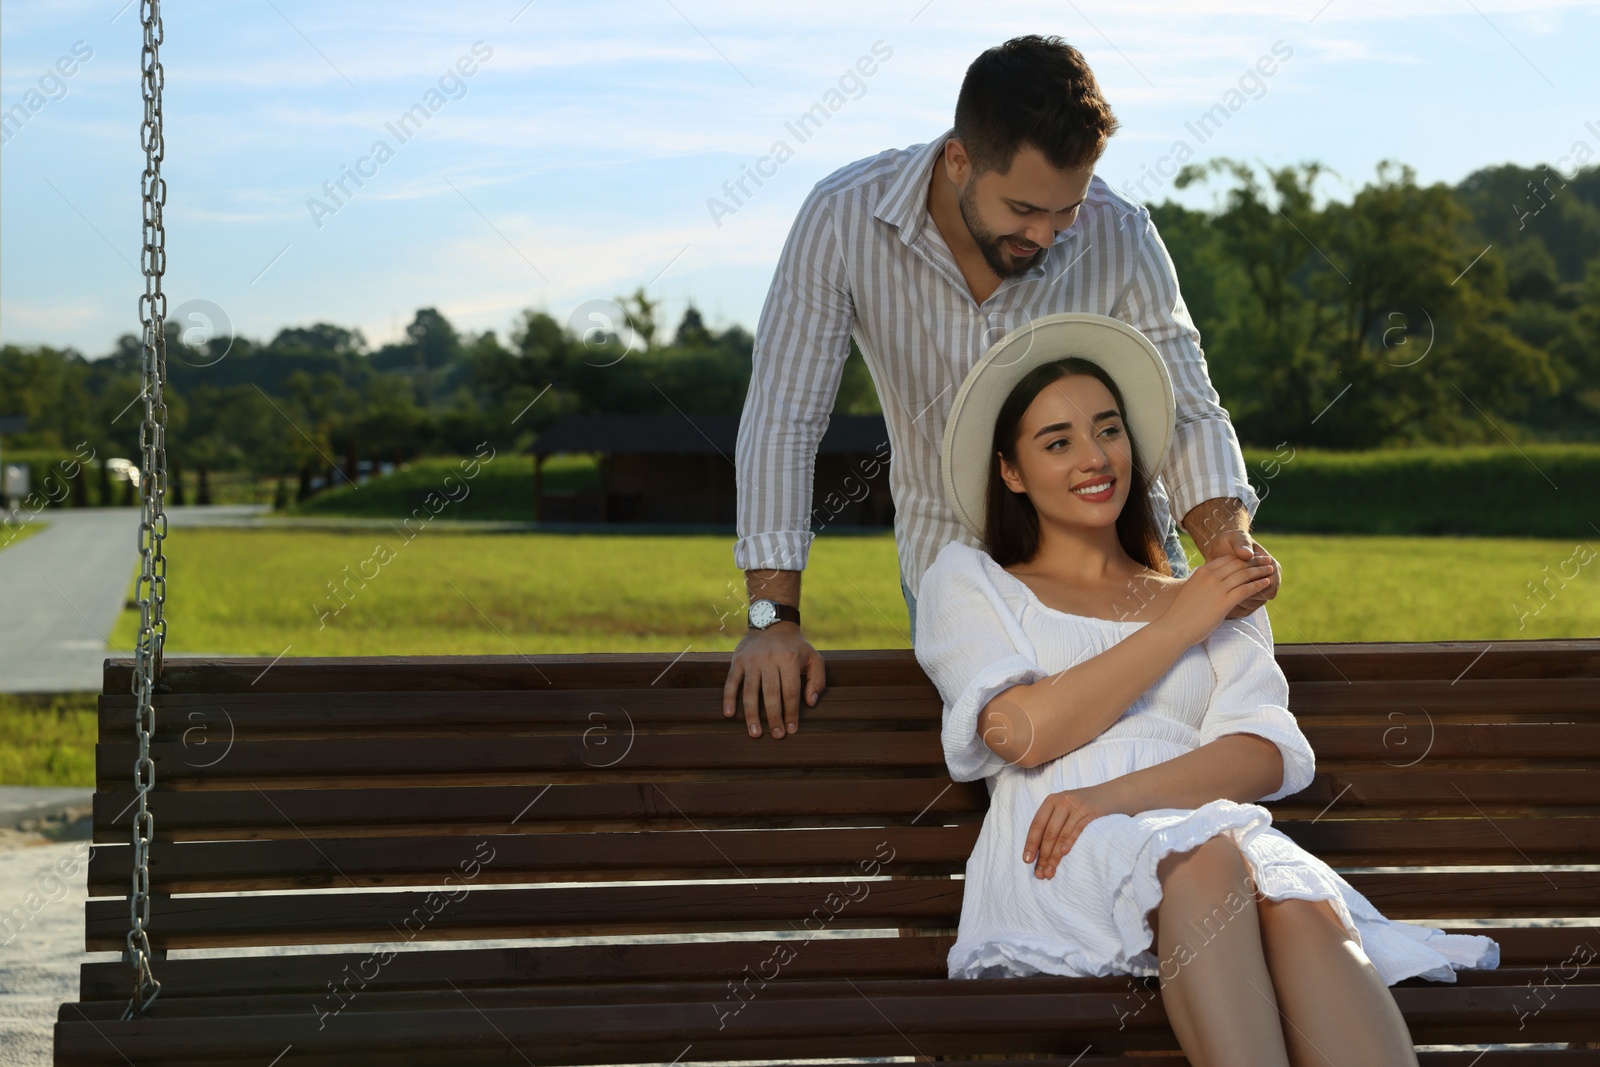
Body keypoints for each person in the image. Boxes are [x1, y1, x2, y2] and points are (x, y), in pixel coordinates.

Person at [913, 312, 1500, 1064]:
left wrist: (1115, 794)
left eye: (1109, 430)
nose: (1095, 458)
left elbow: (1262, 752)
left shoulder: (1218, 589)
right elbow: (1019, 733)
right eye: (1057, 442)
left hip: (1192, 829)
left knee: (1300, 904)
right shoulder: (973, 582)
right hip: (1056, 849)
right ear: (1011, 471)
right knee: (1212, 860)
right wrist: (1178, 623)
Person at [726, 35, 1276, 741]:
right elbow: (784, 417)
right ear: (959, 159)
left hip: (1124, 558)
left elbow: (1188, 407)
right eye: (1023, 208)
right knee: (1014, 761)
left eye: (1066, 209)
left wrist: (1225, 541)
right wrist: (774, 619)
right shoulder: (843, 217)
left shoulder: (1122, 234)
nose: (1046, 235)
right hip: (951, 565)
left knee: (1157, 749)